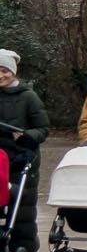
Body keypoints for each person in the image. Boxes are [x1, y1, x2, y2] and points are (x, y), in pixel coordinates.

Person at [0, 47, 50, 199]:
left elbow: (43, 129)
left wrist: (26, 136)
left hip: (22, 157)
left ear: (13, 72)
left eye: (4, 71)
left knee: (22, 211)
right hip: (0, 159)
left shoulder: (29, 97)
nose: (0, 76)